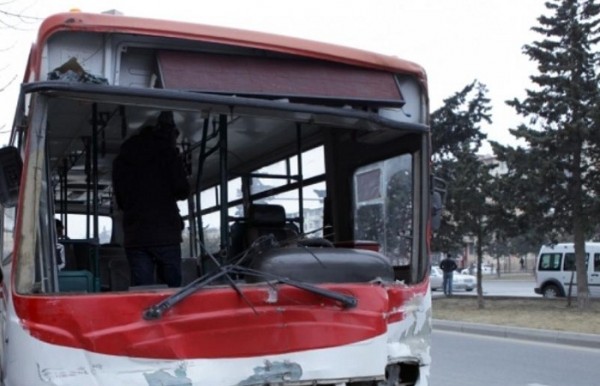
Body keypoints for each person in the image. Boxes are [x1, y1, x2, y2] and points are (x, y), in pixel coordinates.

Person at [112, 111, 190, 287]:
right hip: (165, 232)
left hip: (135, 233)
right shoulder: (168, 154)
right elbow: (182, 190)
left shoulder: (122, 160)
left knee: (142, 289)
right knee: (172, 290)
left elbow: (122, 201)